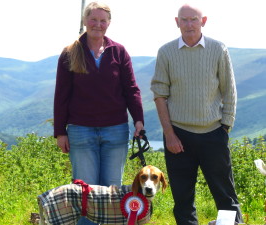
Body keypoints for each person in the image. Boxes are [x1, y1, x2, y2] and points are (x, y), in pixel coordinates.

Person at [150, 3, 243, 225]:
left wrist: (225, 127)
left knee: (225, 196)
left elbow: (229, 90)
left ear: (204, 21)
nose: (189, 24)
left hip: (213, 133)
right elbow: (159, 95)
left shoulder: (218, 49)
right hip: (178, 136)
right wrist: (169, 134)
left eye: (194, 19)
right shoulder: (166, 52)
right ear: (177, 22)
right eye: (184, 19)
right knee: (182, 199)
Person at [53, 2, 144, 224]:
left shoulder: (119, 52)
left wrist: (139, 120)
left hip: (116, 130)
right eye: (93, 19)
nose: (98, 24)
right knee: (85, 192)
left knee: (111, 191)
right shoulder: (70, 53)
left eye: (103, 20)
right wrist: (60, 132)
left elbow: (131, 88)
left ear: (109, 23)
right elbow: (61, 95)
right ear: (85, 20)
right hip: (80, 131)